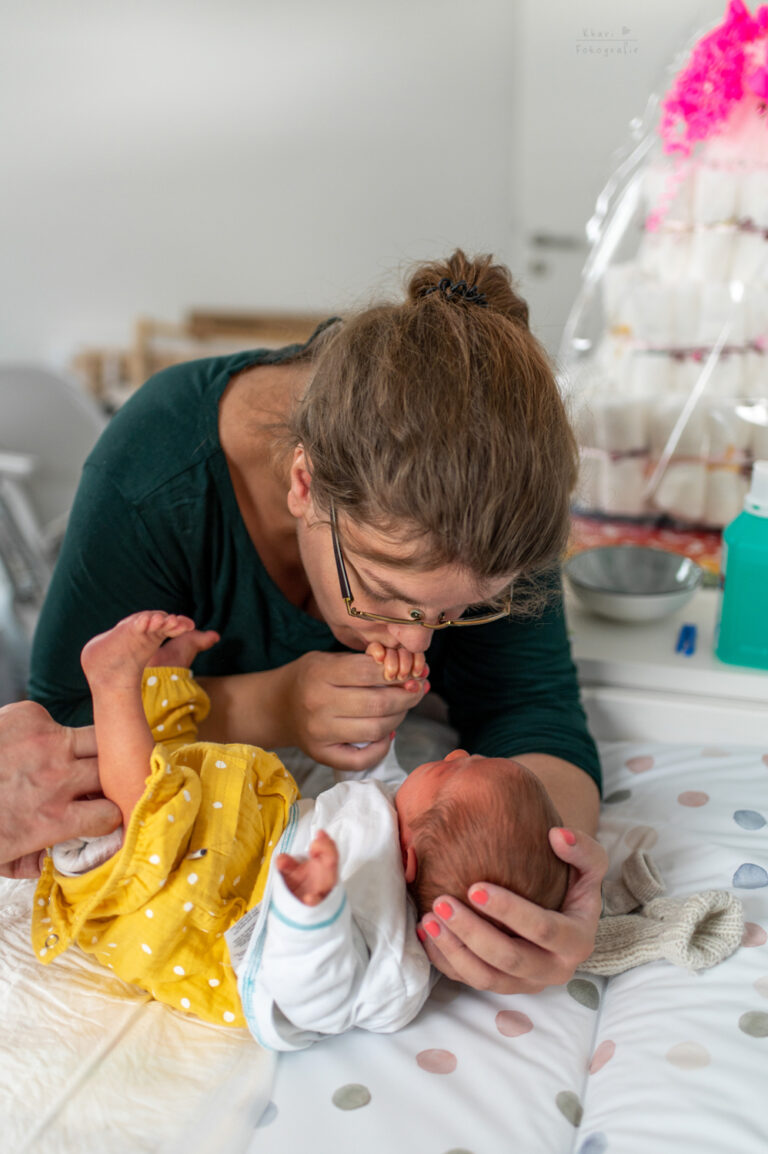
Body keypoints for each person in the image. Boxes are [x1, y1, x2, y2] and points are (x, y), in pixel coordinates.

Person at [26, 249, 607, 993]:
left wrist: (540, 877)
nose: (416, 641)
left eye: (462, 613)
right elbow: (64, 725)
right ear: (305, 483)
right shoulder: (156, 475)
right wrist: (272, 705)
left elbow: (534, 711)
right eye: (382, 593)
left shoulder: (495, 494)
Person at [33, 611, 568, 1049]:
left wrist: (312, 910)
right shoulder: (400, 827)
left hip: (200, 918)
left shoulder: (392, 960)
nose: (452, 752)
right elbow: (367, 792)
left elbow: (315, 996)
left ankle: (113, 685)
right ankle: (163, 680)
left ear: (409, 858)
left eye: (453, 771)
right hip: (241, 845)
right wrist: (378, 716)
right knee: (181, 771)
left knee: (152, 817)